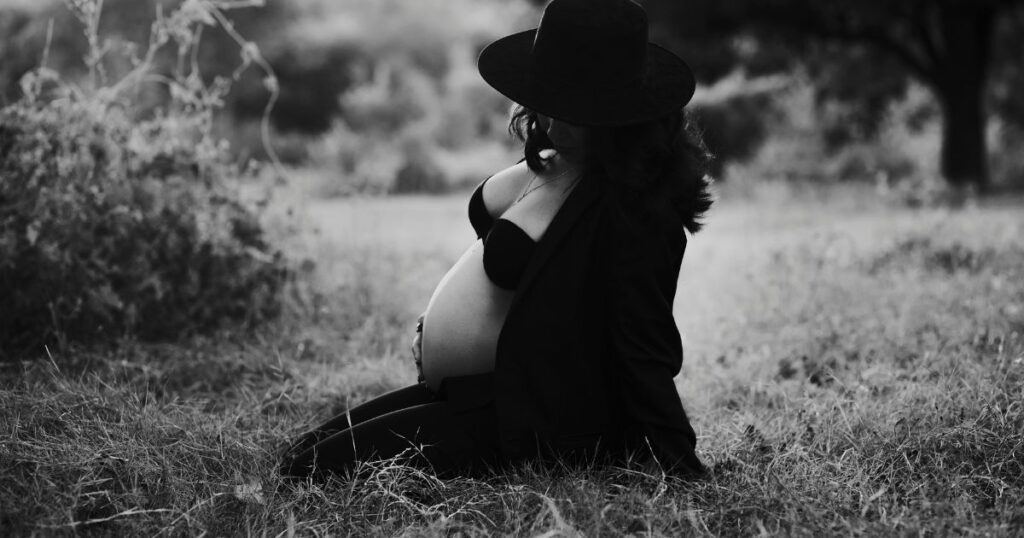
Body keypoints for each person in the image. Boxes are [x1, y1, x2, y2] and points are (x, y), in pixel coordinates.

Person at [280, 0, 714, 481]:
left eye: (576, 111)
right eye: (550, 102)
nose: (554, 122)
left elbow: (645, 348)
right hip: (474, 391)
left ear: (622, 113)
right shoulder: (559, 159)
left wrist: (681, 467)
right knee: (305, 453)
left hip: (531, 417)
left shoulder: (636, 210)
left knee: (309, 472)